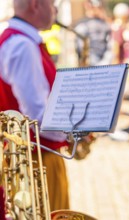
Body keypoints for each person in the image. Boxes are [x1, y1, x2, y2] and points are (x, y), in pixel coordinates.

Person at [0, 0, 69, 211]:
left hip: (28, 158)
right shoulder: (23, 46)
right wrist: (73, 132)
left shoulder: (16, 40)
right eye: (52, 3)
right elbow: (37, 115)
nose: (55, 9)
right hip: (38, 160)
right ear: (35, 4)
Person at [74, 0, 113, 66]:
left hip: (104, 62)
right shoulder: (82, 24)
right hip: (90, 62)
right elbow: (81, 47)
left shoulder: (105, 24)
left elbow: (110, 45)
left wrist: (105, 61)